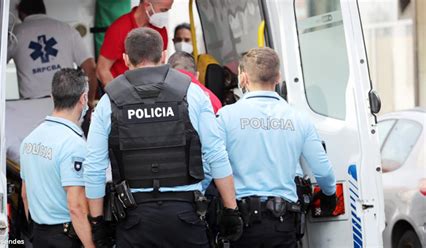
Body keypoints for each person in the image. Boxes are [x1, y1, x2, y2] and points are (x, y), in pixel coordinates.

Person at [84, 28, 242, 248]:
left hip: (134, 221)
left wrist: (98, 222)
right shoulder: (192, 93)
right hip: (186, 217)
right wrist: (230, 209)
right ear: (164, 53)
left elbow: (94, 168)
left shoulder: (108, 101)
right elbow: (216, 154)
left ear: (126, 58)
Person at [216, 47, 337, 248]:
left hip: (242, 225)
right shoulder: (299, 119)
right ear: (278, 77)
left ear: (243, 78)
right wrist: (329, 194)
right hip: (283, 223)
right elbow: (323, 170)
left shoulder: (225, 117)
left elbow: (212, 164)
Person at [20, 69, 94, 248]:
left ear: (53, 97)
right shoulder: (74, 145)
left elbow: (25, 194)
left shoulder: (29, 139)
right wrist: (90, 245)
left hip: (39, 235)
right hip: (66, 236)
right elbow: (76, 207)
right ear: (83, 99)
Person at [8, 0, 97, 109]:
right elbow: (91, 69)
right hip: (67, 104)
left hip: (30, 106)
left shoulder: (15, 34)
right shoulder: (67, 30)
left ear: (20, 12)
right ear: (43, 9)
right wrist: (89, 102)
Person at [96, 0, 173, 86]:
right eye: (163, 10)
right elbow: (102, 69)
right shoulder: (119, 28)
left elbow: (160, 66)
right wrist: (118, 94)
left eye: (168, 10)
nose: (165, 15)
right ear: (147, 5)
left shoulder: (161, 30)